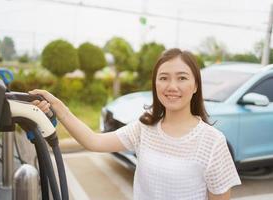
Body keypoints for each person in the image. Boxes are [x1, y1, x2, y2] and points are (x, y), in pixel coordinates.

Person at [29, 48, 241, 200]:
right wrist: (60, 109)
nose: (172, 86)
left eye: (182, 78)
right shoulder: (144, 128)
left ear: (195, 86)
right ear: (155, 84)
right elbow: (94, 142)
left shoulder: (212, 142)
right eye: (164, 78)